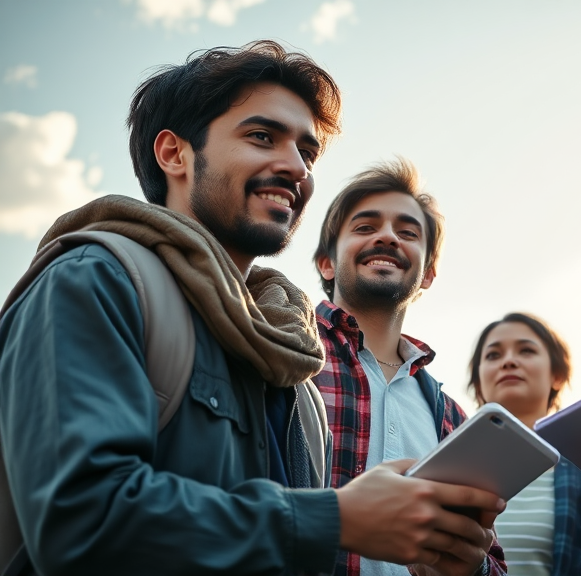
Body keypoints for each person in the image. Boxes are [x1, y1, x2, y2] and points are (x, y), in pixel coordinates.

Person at [0, 41, 503, 576]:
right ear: (173, 154)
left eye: (307, 153)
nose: (296, 168)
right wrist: (335, 518)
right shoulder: (94, 281)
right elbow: (79, 522)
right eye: (262, 136)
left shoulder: (295, 372)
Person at [312, 158, 507, 576]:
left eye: (407, 233)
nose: (387, 236)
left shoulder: (452, 418)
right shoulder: (279, 350)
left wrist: (470, 567)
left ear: (428, 274)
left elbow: (491, 559)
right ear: (326, 262)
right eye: (365, 227)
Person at [466, 312, 581, 576]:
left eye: (526, 350)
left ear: (557, 375)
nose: (509, 361)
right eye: (493, 355)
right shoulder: (453, 466)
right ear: (479, 383)